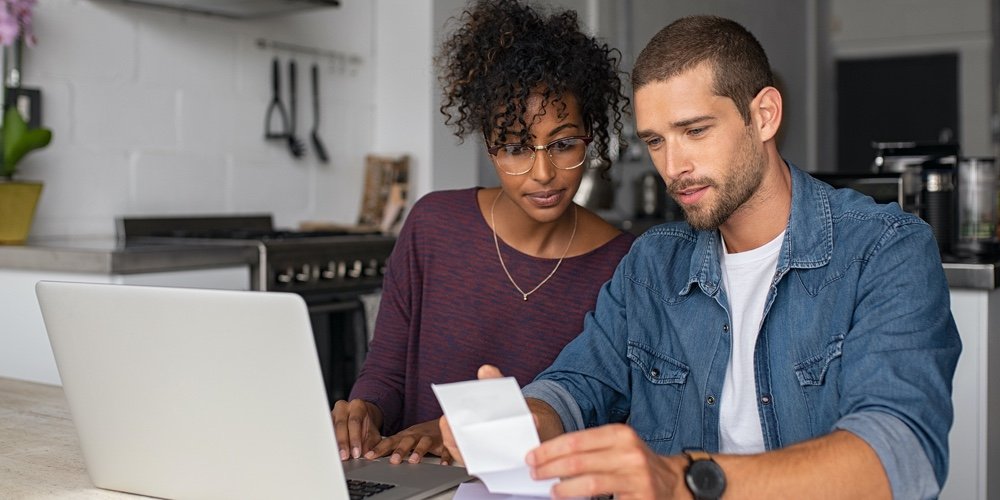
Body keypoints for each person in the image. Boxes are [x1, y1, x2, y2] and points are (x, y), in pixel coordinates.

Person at [441, 14, 962, 499]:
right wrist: (528, 419)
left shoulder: (885, 249)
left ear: (763, 116)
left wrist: (684, 480)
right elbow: (581, 383)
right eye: (655, 140)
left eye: (695, 131)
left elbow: (899, 455)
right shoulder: (652, 264)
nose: (674, 166)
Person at [331, 0, 634, 466]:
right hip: (415, 481)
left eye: (563, 144)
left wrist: (456, 433)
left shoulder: (624, 266)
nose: (542, 173)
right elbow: (386, 373)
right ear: (489, 147)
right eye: (515, 147)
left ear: (590, 137)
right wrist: (364, 411)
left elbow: (601, 416)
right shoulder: (433, 225)